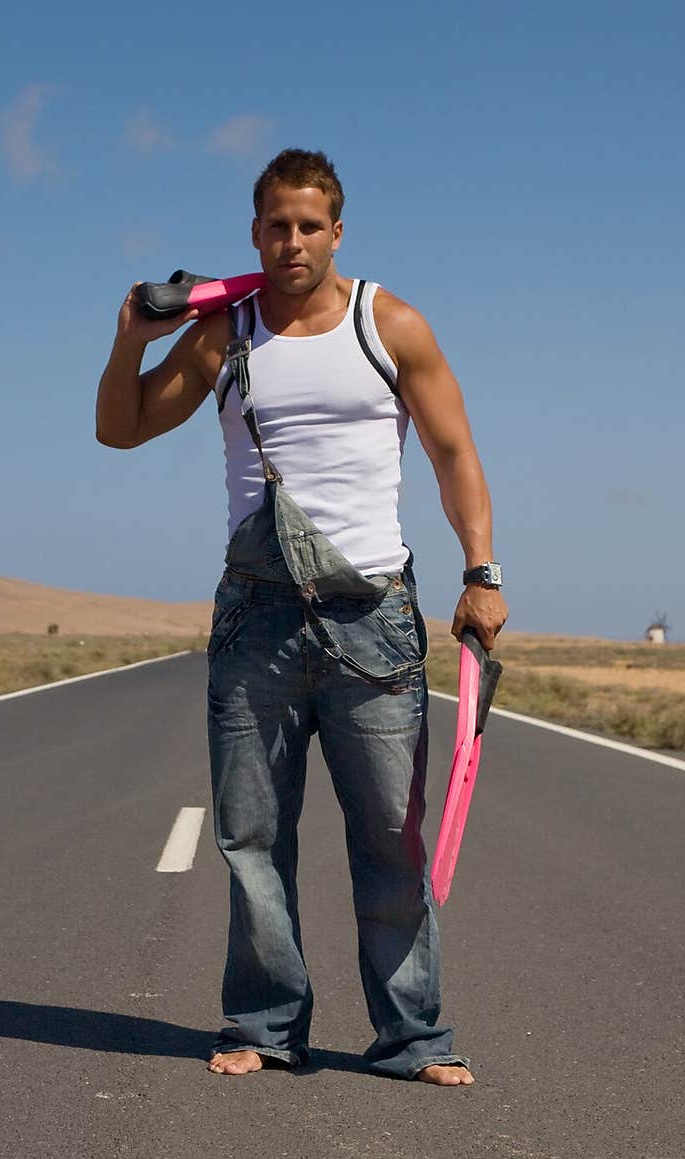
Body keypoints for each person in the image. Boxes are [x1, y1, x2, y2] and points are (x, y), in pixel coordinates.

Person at [96, 148, 508, 1086]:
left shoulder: (388, 324)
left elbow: (454, 454)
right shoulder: (222, 336)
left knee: (391, 841)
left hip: (374, 620)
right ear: (253, 234)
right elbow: (121, 428)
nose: (292, 241)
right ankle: (266, 1023)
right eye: (276, 225)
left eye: (309, 225)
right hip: (259, 618)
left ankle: (412, 1038)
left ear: (337, 231)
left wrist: (481, 570)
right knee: (250, 838)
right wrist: (132, 337)